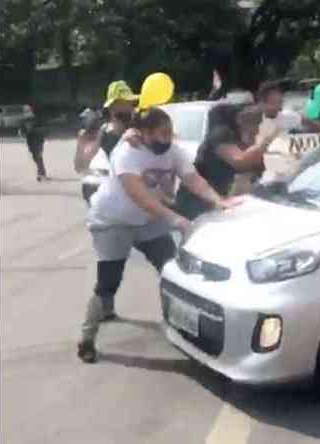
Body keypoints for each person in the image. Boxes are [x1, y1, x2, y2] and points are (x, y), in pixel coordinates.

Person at [77, 107, 241, 363]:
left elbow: (192, 179)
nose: (167, 139)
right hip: (113, 221)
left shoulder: (174, 152)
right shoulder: (128, 152)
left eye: (169, 133)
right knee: (109, 281)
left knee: (172, 270)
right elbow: (137, 194)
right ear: (144, 133)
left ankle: (182, 326)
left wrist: (219, 201)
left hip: (149, 221)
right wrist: (175, 219)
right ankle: (87, 337)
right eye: (161, 134)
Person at [174, 104, 275, 220]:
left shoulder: (243, 141)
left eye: (258, 123)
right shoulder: (220, 135)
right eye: (254, 124)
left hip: (219, 201)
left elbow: (247, 180)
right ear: (239, 121)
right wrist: (265, 140)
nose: (257, 129)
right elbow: (240, 161)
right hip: (196, 202)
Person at [75, 81, 139, 173]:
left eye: (129, 103)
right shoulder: (104, 133)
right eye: (122, 103)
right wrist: (80, 146)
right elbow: (81, 167)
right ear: (111, 108)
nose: (129, 107)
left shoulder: (139, 129)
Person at [256, 81, 320, 135]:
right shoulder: (254, 123)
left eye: (279, 102)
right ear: (262, 103)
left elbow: (313, 124)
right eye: (273, 103)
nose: (277, 107)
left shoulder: (288, 116)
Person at [19, 117, 48, 181]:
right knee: (37, 159)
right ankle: (42, 173)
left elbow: (41, 138)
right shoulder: (29, 131)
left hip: (37, 146)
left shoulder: (35, 131)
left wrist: (40, 144)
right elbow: (23, 135)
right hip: (33, 147)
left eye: (29, 124)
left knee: (38, 159)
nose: (28, 125)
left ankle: (40, 174)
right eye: (27, 124)